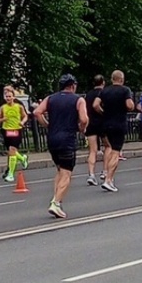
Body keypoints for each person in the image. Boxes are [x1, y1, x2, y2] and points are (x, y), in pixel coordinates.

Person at [34, 74, 88, 219]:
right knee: (66, 173)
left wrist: (47, 125)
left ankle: (56, 199)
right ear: (73, 85)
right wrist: (81, 129)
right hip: (67, 140)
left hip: (52, 139)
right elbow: (84, 119)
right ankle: (56, 203)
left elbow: (37, 112)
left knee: (59, 170)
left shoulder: (50, 98)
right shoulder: (78, 100)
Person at [94, 71, 134, 193]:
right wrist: (129, 106)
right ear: (122, 79)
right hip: (119, 124)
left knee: (110, 149)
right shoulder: (125, 90)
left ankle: (108, 176)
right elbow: (130, 105)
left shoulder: (104, 91)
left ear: (112, 79)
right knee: (116, 152)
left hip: (106, 124)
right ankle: (108, 179)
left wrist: (104, 113)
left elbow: (95, 105)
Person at [0, 85, 29, 183]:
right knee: (10, 151)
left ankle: (11, 174)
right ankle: (22, 158)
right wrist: (2, 119)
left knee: (12, 150)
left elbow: (25, 116)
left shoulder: (19, 106)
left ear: (13, 97)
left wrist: (22, 122)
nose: (8, 98)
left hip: (16, 129)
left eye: (9, 96)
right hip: (6, 130)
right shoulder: (3, 107)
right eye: (6, 96)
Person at [84, 74, 106, 186]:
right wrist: (103, 113)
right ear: (103, 82)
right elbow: (96, 106)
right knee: (108, 146)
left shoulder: (88, 94)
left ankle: (91, 174)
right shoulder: (103, 93)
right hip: (102, 123)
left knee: (93, 150)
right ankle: (105, 171)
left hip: (90, 123)